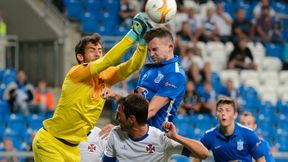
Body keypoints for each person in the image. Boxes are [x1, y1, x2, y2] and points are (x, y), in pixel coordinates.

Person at [32, 13, 151, 162]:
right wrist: (133, 34)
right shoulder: (76, 73)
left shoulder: (106, 77)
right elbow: (108, 60)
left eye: (100, 50)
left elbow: (134, 65)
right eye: (92, 50)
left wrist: (143, 43)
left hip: (73, 149)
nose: (97, 53)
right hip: (50, 142)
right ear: (80, 57)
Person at [102, 28, 187, 131]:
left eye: (155, 49)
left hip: (154, 137)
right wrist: (116, 96)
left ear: (170, 47)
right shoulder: (147, 68)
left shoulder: (175, 74)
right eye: (149, 50)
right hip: (136, 132)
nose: (151, 54)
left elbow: (151, 110)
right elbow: (137, 105)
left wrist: (120, 128)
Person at [102, 94, 209, 162]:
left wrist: (176, 137)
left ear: (131, 119)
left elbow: (204, 154)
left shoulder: (161, 139)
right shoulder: (115, 134)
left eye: (119, 115)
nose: (116, 118)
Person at [192, 97, 265, 162]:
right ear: (216, 115)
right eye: (220, 110)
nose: (223, 113)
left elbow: (261, 160)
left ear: (235, 115)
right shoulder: (209, 136)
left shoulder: (249, 134)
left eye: (227, 110)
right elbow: (196, 159)